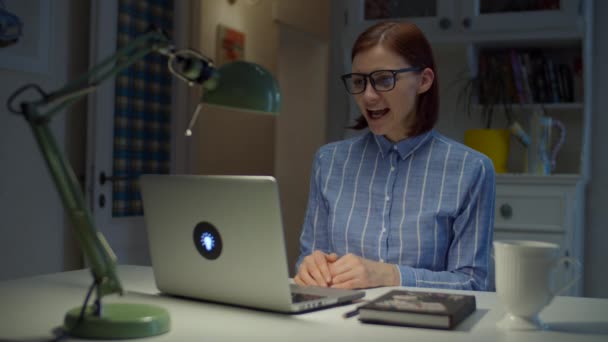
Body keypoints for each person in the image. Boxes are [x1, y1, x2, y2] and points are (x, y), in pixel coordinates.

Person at [294, 21, 495, 291]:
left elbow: (472, 282)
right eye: (358, 81)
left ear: (423, 80)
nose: (368, 96)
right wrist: (310, 269)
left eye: (383, 80)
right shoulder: (328, 162)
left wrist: (390, 276)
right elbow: (309, 259)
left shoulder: (471, 170)